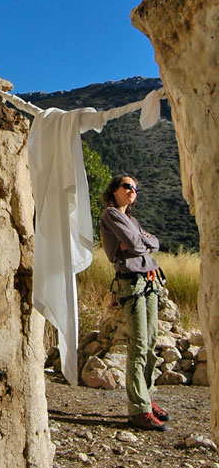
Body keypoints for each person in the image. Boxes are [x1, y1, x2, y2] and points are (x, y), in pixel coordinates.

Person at [99, 174, 170, 431]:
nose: (132, 191)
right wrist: (139, 241)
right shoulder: (111, 215)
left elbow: (152, 243)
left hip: (150, 281)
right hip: (132, 283)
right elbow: (134, 243)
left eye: (135, 188)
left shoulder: (130, 219)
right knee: (139, 343)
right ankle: (137, 410)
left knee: (150, 343)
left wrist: (141, 241)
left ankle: (147, 400)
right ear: (115, 190)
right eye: (127, 186)